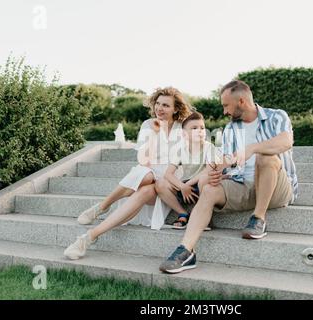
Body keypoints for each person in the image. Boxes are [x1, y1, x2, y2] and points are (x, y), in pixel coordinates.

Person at [159, 80, 298, 274]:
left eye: (226, 105)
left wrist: (252, 149)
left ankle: (258, 218)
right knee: (208, 188)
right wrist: (217, 171)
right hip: (242, 185)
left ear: (241, 101)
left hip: (276, 189)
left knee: (266, 158)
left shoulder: (276, 116)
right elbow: (225, 158)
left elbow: (286, 142)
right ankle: (186, 251)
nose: (224, 111)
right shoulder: (231, 129)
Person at [64, 87, 193, 260]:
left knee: (148, 178)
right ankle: (88, 237)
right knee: (146, 180)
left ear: (176, 109)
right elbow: (144, 161)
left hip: (168, 185)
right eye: (157, 103)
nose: (159, 108)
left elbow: (185, 160)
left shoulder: (182, 128)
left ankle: (102, 206)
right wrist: (155, 133)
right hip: (147, 177)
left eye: (166, 105)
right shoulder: (148, 124)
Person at [155, 111, 226, 231]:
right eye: (194, 128)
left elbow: (208, 171)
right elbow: (168, 174)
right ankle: (183, 213)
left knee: (206, 178)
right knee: (160, 184)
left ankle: (203, 216)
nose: (200, 131)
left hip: (202, 186)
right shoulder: (181, 150)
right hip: (186, 189)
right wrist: (182, 186)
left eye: (202, 128)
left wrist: (186, 185)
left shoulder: (210, 148)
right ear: (184, 134)